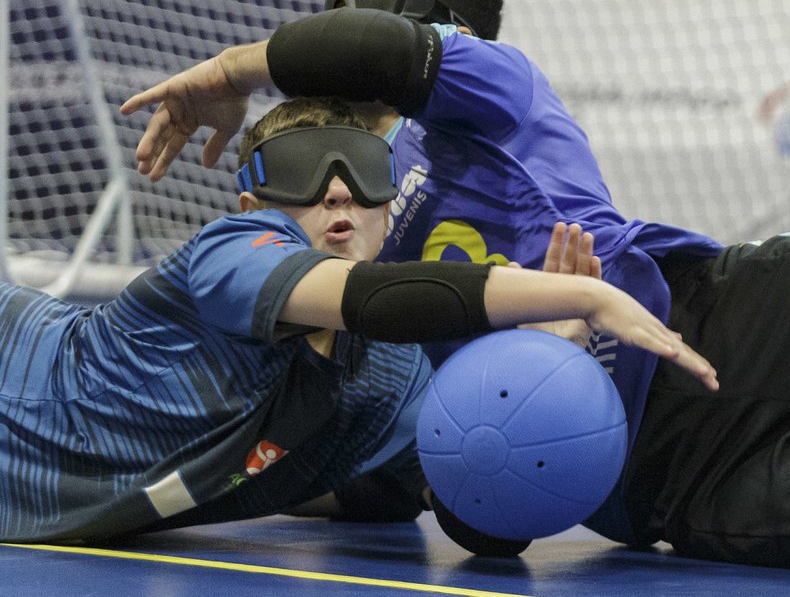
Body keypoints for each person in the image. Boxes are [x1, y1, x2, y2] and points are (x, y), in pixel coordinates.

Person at [118, 0, 790, 582]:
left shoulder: (496, 91)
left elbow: (365, 50)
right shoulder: (336, 213)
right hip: (654, 481)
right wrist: (535, 375)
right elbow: (484, 526)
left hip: (726, 312)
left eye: (367, 6)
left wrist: (229, 70)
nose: (338, 23)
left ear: (443, 35)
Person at [0, 95, 704, 544]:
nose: (338, 188)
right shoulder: (228, 254)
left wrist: (551, 358)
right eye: (304, 172)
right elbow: (369, 295)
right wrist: (582, 296)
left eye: (366, 173)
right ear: (253, 209)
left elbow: (484, 516)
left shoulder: (392, 378)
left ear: (386, 206)